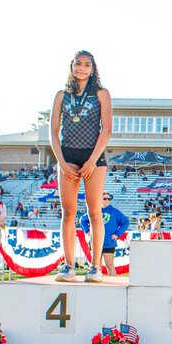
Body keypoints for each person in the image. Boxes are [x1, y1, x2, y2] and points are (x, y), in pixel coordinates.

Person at [50, 51, 112, 283]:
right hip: (67, 155)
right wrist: (61, 162)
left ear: (93, 68)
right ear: (71, 66)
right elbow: (53, 132)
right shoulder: (61, 95)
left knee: (94, 210)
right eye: (78, 64)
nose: (82, 68)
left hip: (93, 155)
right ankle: (68, 266)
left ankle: (95, 267)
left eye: (87, 65)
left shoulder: (101, 94)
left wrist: (92, 160)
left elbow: (107, 129)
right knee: (68, 212)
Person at [80, 192, 130, 276]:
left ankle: (113, 283)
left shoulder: (115, 212)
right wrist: (87, 231)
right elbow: (82, 220)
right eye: (105, 198)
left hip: (109, 242)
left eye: (109, 199)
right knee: (95, 266)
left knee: (110, 266)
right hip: (95, 242)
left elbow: (126, 222)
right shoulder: (94, 210)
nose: (107, 200)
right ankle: (95, 280)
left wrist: (117, 234)